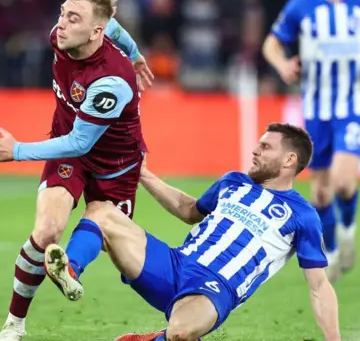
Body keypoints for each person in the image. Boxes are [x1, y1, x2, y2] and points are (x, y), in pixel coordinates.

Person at [0, 0, 154, 340]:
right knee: (46, 231)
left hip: (115, 166)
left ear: (94, 32)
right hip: (69, 154)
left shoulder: (112, 82)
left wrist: (18, 151)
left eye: (74, 18)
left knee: (114, 244)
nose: (62, 24)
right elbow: (112, 26)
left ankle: (71, 268)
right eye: (62, 13)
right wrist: (137, 52)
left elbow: (83, 140)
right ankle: (14, 325)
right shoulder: (62, 36)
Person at [46, 123, 341, 341]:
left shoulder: (303, 215)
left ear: (289, 161)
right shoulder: (233, 182)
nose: (255, 150)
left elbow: (319, 286)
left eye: (266, 147)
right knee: (101, 211)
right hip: (174, 264)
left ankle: (156, 338)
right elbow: (190, 210)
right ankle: (70, 269)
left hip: (215, 289)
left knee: (181, 333)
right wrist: (145, 175)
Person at [262, 0, 360, 282]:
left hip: (355, 104)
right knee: (321, 192)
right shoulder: (301, 7)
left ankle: (348, 229)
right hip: (316, 108)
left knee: (342, 181)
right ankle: (335, 249)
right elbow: (270, 44)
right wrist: (283, 65)